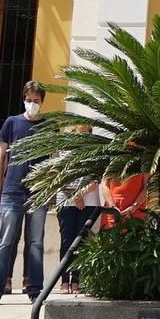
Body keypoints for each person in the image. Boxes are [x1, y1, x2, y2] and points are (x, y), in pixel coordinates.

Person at [0, 82, 49, 305]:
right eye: (29, 100)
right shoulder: (12, 123)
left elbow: (54, 158)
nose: (32, 104)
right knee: (6, 241)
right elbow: (0, 155)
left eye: (36, 101)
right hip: (12, 191)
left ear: (42, 102)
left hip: (38, 193)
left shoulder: (48, 125)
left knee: (36, 242)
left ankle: (35, 290)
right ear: (24, 99)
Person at [52, 124, 99, 294]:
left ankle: (76, 281)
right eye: (81, 132)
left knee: (81, 240)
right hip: (66, 201)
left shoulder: (95, 150)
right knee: (67, 240)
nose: (83, 135)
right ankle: (64, 281)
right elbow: (57, 175)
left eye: (87, 132)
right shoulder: (63, 149)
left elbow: (96, 177)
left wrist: (81, 193)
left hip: (89, 200)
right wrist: (74, 195)